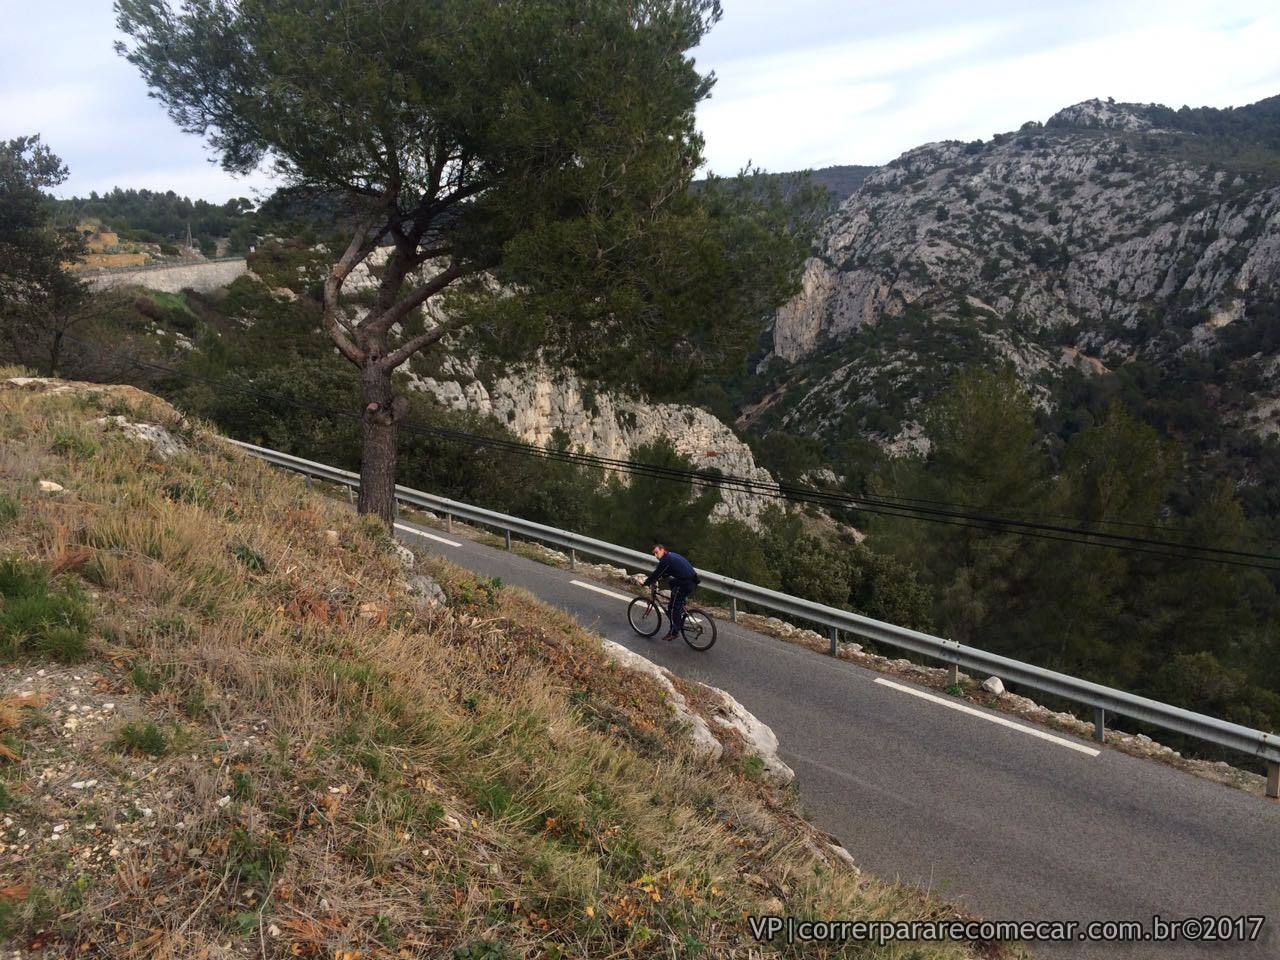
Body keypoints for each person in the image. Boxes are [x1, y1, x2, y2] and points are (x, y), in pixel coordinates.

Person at [643, 543, 699, 642]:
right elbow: (667, 571)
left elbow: (657, 573)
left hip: (685, 584)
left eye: (656, 552)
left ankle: (674, 632)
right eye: (653, 554)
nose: (655, 556)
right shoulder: (671, 555)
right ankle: (681, 604)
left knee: (672, 607)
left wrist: (647, 582)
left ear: (662, 550)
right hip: (692, 581)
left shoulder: (665, 560)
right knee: (672, 582)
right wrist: (661, 577)